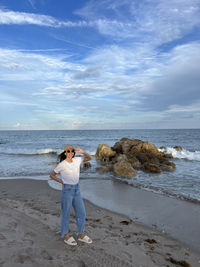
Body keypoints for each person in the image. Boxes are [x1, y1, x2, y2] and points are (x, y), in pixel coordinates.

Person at [50, 144, 93, 246]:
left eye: (72, 151)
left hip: (77, 190)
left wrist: (81, 151)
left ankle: (81, 234)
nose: (70, 153)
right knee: (66, 213)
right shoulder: (62, 164)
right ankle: (65, 235)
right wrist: (61, 182)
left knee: (81, 213)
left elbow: (90, 157)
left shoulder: (77, 160)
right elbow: (52, 175)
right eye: (68, 151)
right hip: (67, 191)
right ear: (65, 153)